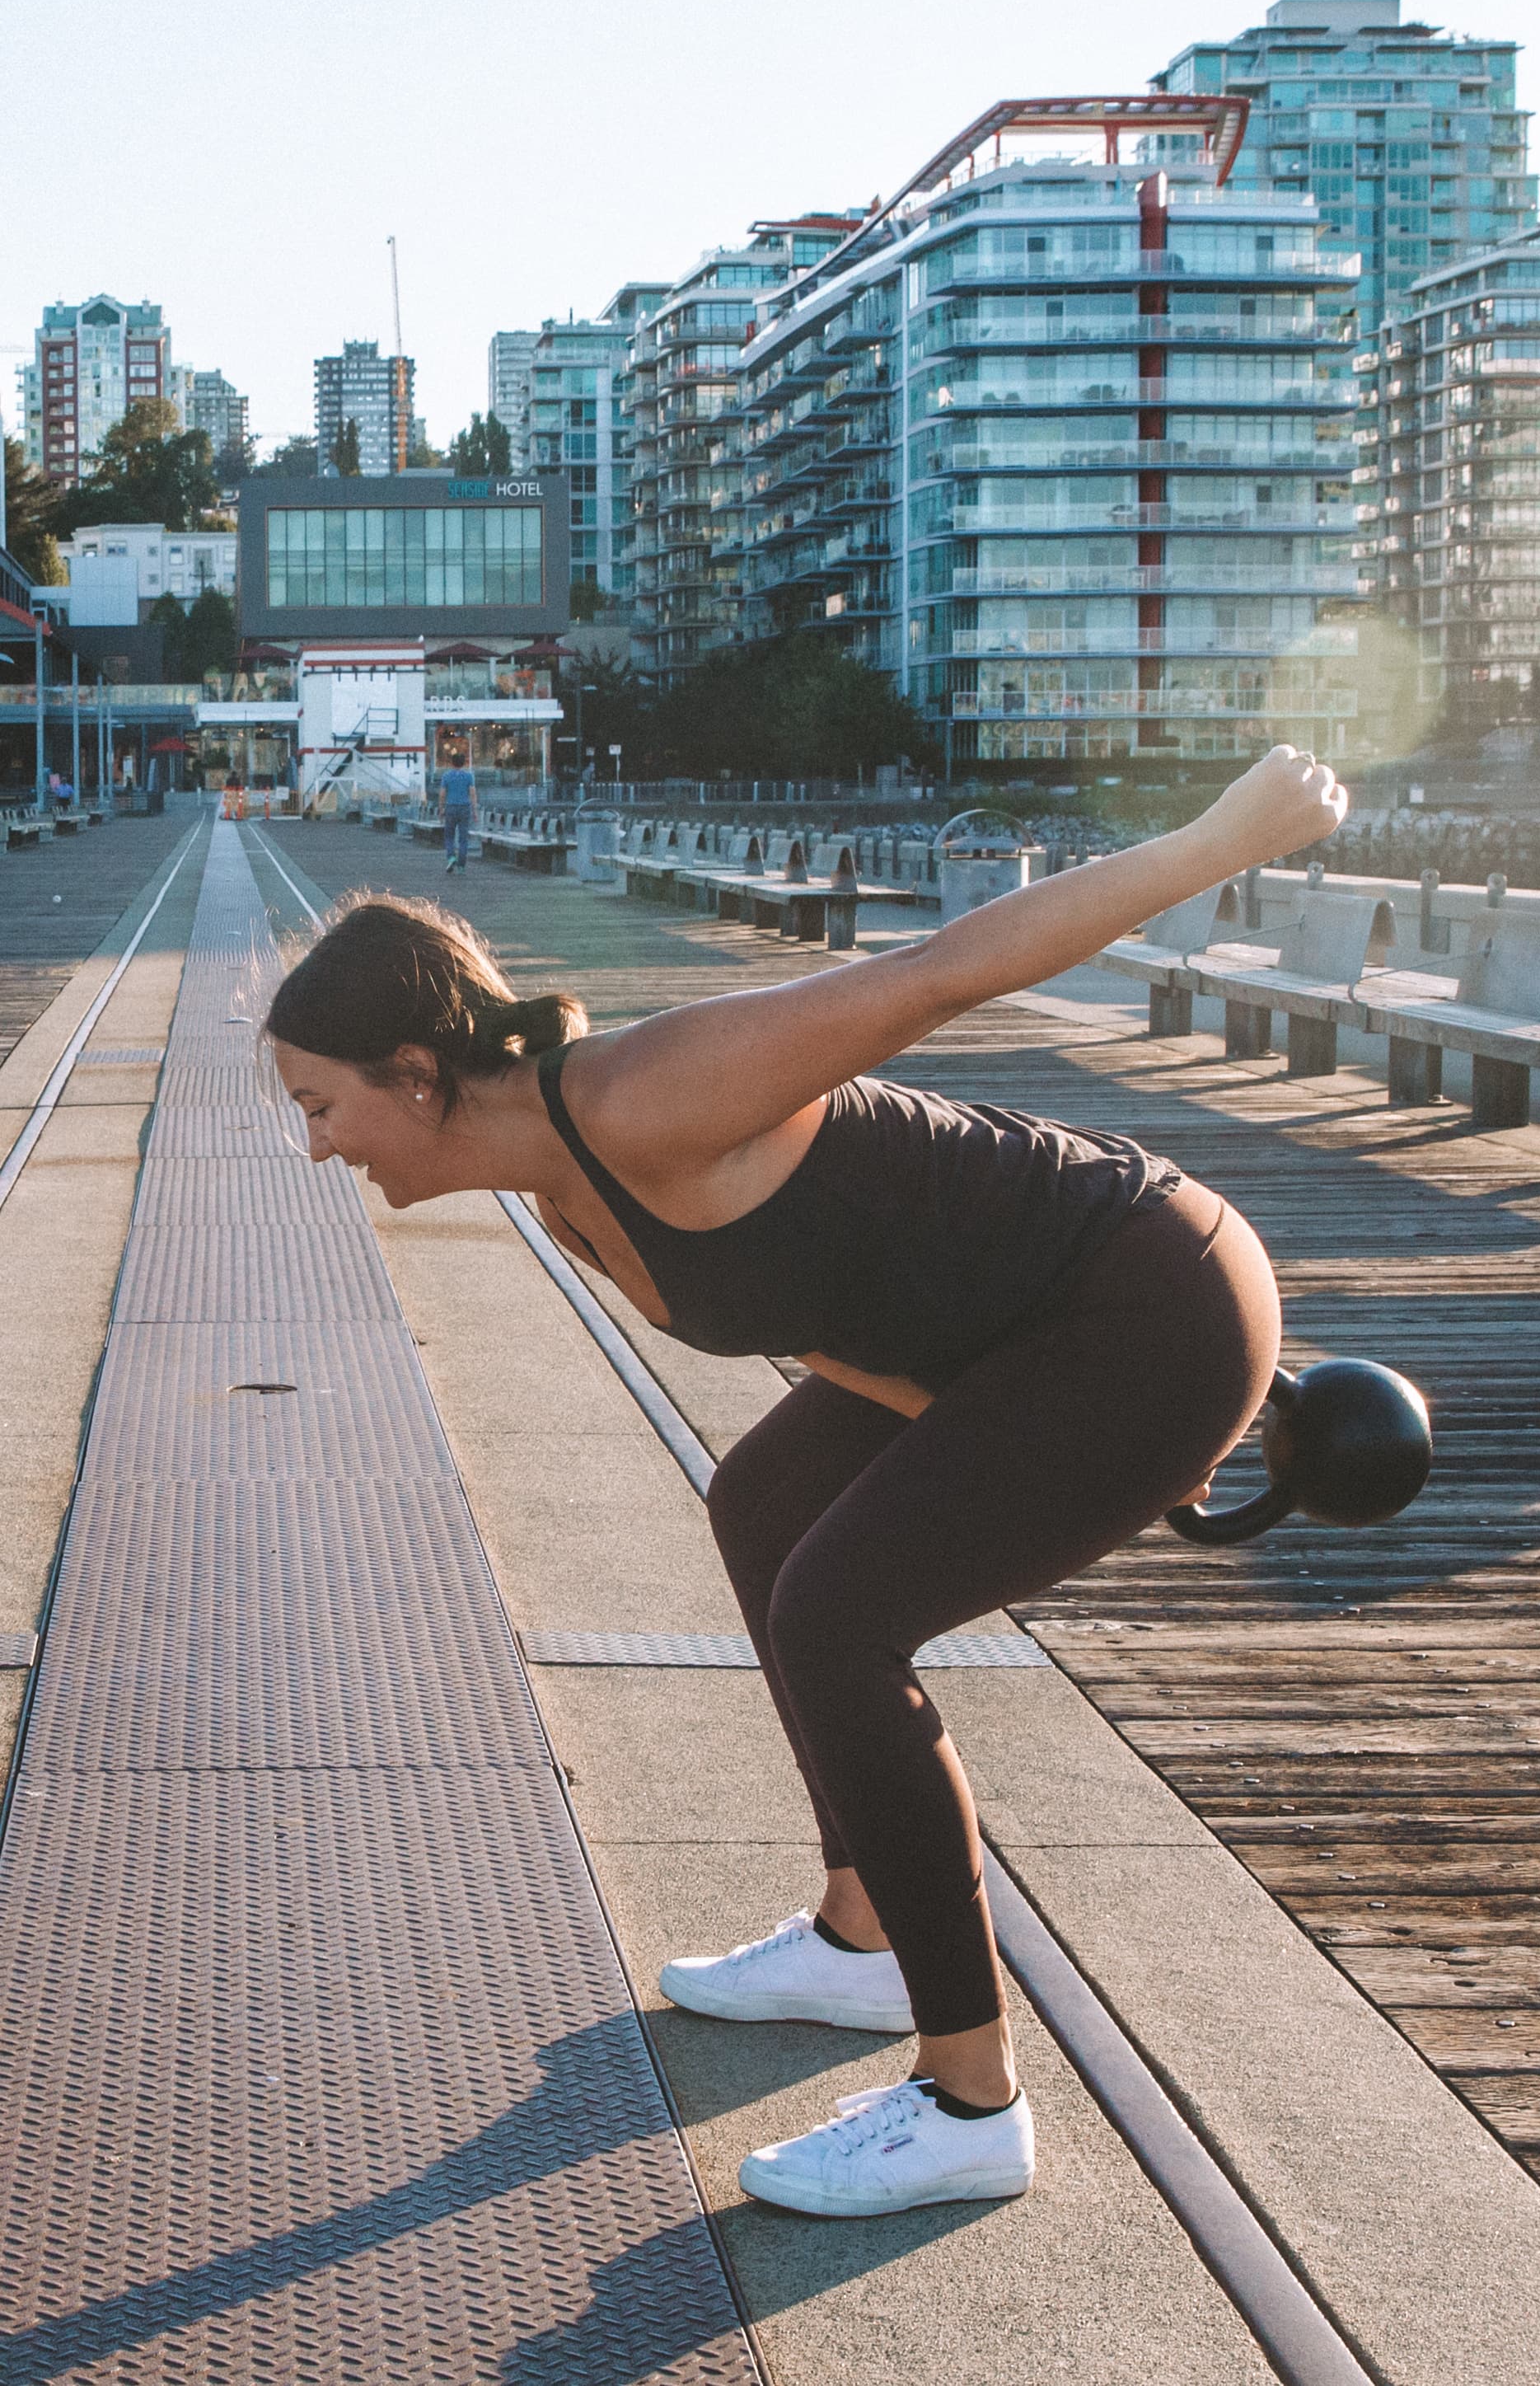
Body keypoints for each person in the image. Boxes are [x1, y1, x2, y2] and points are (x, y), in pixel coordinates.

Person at [266, 743, 1344, 2220]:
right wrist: (1033, 1440)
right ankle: (858, 1938)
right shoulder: (561, 1189)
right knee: (765, 1508)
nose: (316, 1147)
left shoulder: (648, 1095)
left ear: (416, 1075)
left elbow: (947, 969)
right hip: (1030, 1331)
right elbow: (868, 1316)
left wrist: (1212, 841)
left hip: (1146, 1293)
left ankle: (968, 2099)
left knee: (840, 1612)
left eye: (321, 1105)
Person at [440, 747, 475, 874]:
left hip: (450, 807)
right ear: (464, 763)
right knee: (463, 838)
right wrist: (475, 811)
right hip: (465, 808)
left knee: (449, 836)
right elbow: (472, 794)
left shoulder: (446, 776)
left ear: (452, 763)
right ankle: (461, 866)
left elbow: (443, 794)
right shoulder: (469, 776)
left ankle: (451, 857)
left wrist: (441, 808)